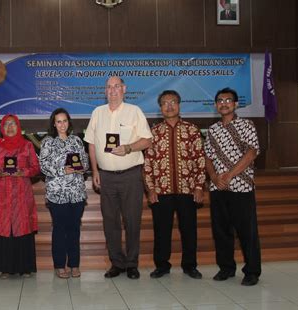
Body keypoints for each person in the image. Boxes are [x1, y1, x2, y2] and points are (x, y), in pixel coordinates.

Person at [84, 76, 152, 279]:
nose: (112, 90)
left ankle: (132, 264)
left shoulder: (134, 111)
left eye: (116, 86)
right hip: (106, 177)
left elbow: (147, 140)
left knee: (132, 221)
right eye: (109, 87)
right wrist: (95, 171)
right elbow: (92, 144)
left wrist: (129, 147)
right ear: (105, 91)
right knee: (110, 222)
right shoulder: (97, 113)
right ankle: (117, 263)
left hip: (131, 175)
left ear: (124, 89)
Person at [144, 90, 205, 280]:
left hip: (187, 189)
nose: (169, 106)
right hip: (161, 191)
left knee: (189, 230)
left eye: (173, 102)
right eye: (164, 103)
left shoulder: (192, 130)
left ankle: (190, 265)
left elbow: (200, 159)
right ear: (160, 108)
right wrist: (151, 189)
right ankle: (162, 265)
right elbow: (148, 162)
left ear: (179, 105)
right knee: (161, 230)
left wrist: (198, 186)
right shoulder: (153, 133)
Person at [205, 87, 261, 286]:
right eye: (220, 100)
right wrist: (213, 177)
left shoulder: (246, 125)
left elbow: (251, 153)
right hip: (218, 188)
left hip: (241, 186)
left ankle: (252, 271)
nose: (224, 103)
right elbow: (208, 158)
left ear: (236, 104)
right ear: (215, 105)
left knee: (247, 231)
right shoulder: (213, 130)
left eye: (228, 100)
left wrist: (229, 175)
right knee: (221, 231)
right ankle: (226, 268)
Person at [0, 114, 40, 278]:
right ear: (2, 128)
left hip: (22, 194)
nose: (10, 127)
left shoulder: (27, 145)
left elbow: (36, 168)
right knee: (4, 229)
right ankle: (5, 268)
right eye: (7, 124)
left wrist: (22, 172)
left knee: (22, 226)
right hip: (2, 195)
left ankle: (25, 267)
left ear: (18, 126)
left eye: (13, 124)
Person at [39, 108, 89, 279]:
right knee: (59, 230)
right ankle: (60, 265)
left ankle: (74, 265)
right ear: (54, 123)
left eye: (65, 121)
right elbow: (43, 166)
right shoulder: (48, 143)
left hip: (76, 193)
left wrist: (82, 167)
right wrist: (63, 170)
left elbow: (85, 162)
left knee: (74, 229)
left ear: (69, 122)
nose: (62, 124)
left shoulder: (77, 141)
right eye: (58, 121)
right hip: (57, 194)